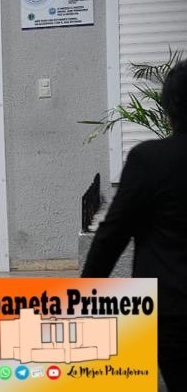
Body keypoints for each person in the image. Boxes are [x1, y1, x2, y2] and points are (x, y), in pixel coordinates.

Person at [81, 60, 187, 392]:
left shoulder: (150, 160)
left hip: (173, 310)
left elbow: (112, 235)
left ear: (169, 110)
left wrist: (84, 296)